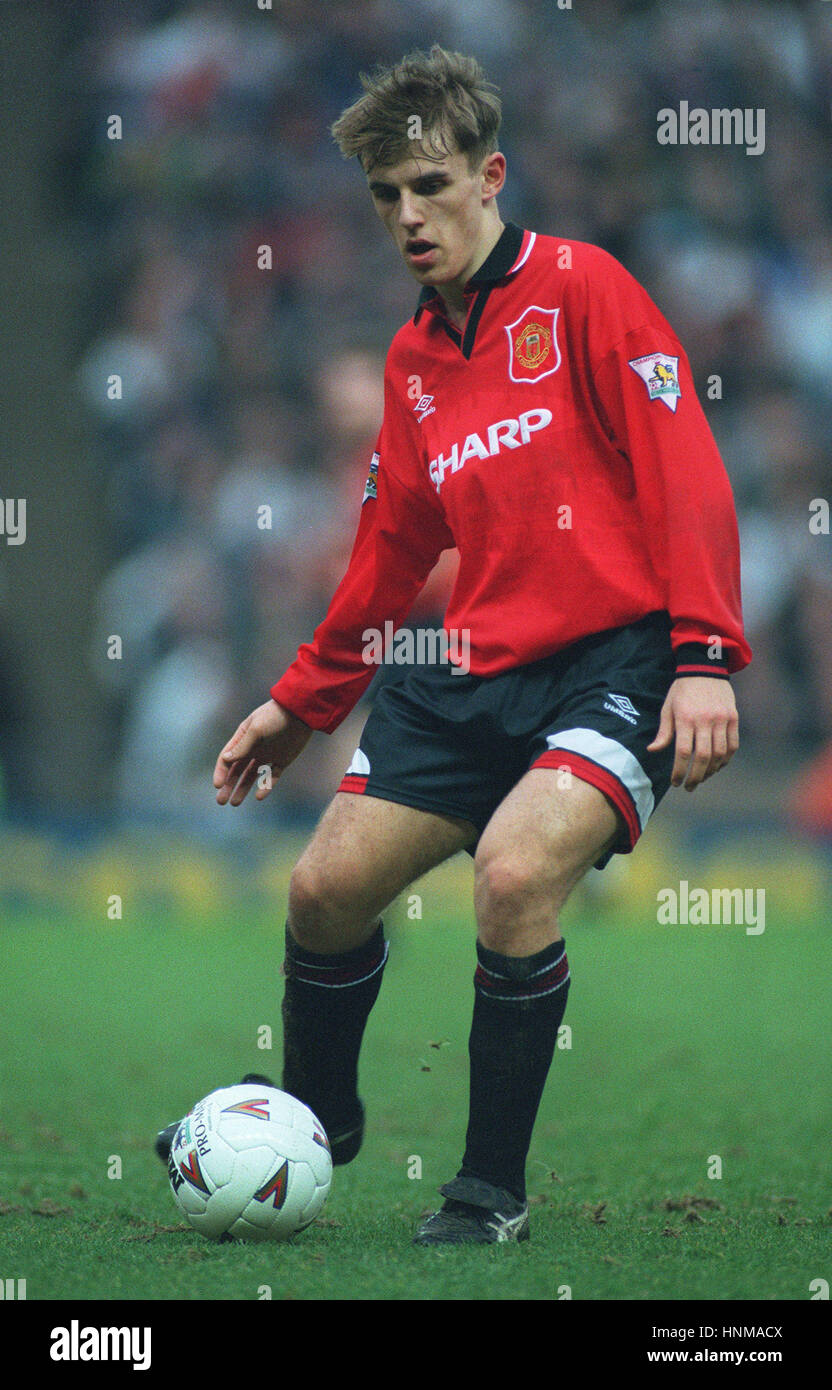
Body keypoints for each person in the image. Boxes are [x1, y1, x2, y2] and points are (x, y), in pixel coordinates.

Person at [166, 46, 751, 1246]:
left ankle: (488, 1190)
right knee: (323, 890)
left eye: (429, 185)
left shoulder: (588, 291)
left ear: (492, 174)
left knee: (514, 874)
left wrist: (702, 655)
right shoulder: (414, 362)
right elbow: (389, 549)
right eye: (386, 195)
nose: (408, 216)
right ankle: (317, 1123)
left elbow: (682, 465)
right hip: (467, 670)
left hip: (616, 661)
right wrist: (299, 704)